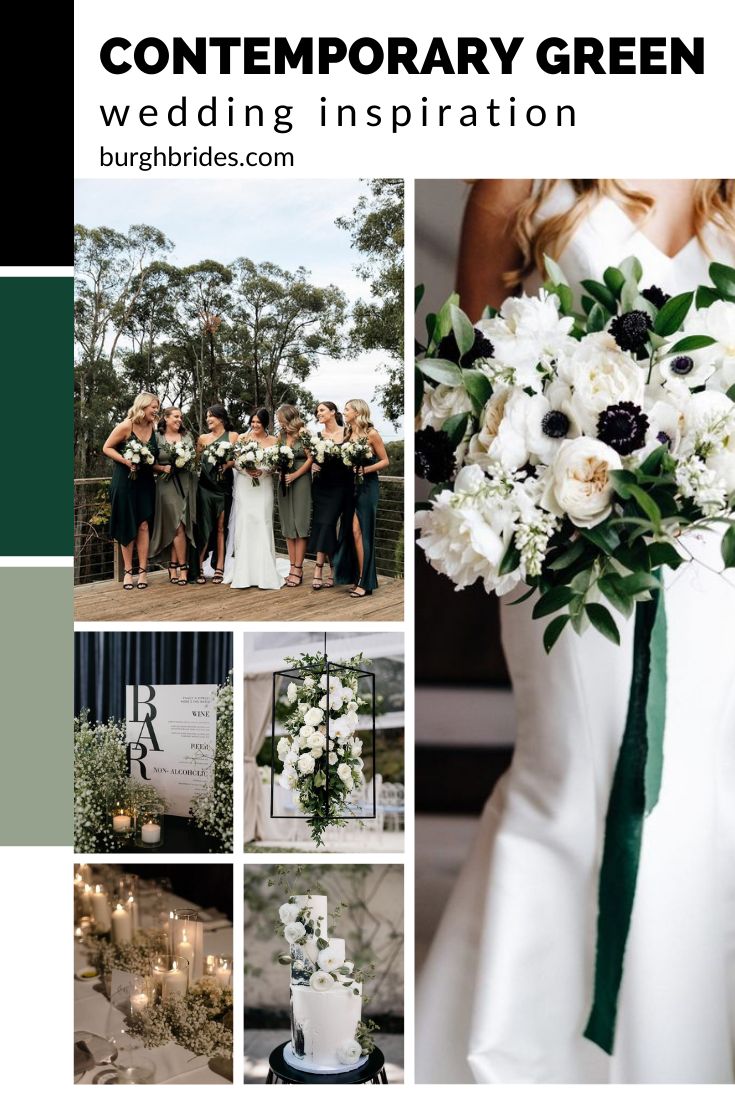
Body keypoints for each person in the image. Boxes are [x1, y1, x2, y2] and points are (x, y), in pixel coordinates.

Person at [416, 180, 735, 1085]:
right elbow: (461, 392)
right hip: (571, 553)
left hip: (714, 564)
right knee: (570, 788)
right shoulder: (523, 173)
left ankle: (674, 1063)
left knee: (692, 804)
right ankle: (517, 1061)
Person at [102, 391, 161, 591]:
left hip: (145, 482)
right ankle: (128, 572)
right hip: (124, 482)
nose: (156, 410)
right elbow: (107, 448)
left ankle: (143, 571)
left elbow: (154, 458)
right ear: (143, 406)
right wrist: (126, 461)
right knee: (127, 524)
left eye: (157, 407)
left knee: (144, 525)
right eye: (154, 407)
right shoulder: (126, 425)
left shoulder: (153, 427)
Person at [223, 408, 285, 590]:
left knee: (263, 522)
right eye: (253, 422)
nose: (255, 425)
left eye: (258, 422)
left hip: (263, 484)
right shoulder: (243, 438)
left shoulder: (274, 440)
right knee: (245, 524)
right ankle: (244, 574)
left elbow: (275, 465)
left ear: (265, 423)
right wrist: (246, 470)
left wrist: (264, 470)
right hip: (245, 485)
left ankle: (265, 573)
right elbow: (235, 461)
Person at [333, 399, 390, 597]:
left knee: (363, 532)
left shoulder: (371, 434)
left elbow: (385, 461)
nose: (344, 411)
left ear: (357, 412)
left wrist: (365, 469)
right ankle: (359, 577)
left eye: (347, 409)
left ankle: (365, 582)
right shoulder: (348, 434)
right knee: (353, 532)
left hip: (367, 487)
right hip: (350, 487)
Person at [149, 407, 197, 585]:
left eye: (181, 417)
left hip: (185, 483)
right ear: (166, 418)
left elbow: (193, 457)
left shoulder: (187, 436)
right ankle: (181, 567)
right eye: (176, 417)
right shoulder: (157, 437)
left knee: (181, 525)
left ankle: (175, 566)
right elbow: (149, 461)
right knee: (175, 526)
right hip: (166, 484)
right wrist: (162, 468)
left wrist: (184, 460)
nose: (179, 420)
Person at [307, 401, 351, 590]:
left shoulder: (347, 433)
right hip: (321, 485)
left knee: (327, 524)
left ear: (333, 412)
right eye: (317, 412)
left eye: (322, 410)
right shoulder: (317, 436)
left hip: (341, 486)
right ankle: (331, 569)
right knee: (323, 524)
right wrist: (312, 464)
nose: (319, 413)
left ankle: (319, 569)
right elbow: (310, 458)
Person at [195, 404, 238, 584]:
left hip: (223, 487)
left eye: (210, 416)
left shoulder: (233, 436)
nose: (207, 419)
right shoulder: (202, 439)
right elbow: (195, 462)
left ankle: (219, 567)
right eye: (206, 416)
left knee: (221, 527)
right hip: (205, 488)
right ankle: (198, 567)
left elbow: (238, 459)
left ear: (221, 418)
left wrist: (228, 464)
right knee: (204, 527)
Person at [274, 404, 313, 588]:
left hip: (301, 480)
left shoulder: (303, 433)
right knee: (288, 524)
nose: (278, 421)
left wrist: (296, 475)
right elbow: (274, 456)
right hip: (283, 480)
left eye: (280, 418)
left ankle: (299, 568)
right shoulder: (280, 436)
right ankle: (291, 567)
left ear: (288, 417)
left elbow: (311, 458)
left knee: (300, 524)